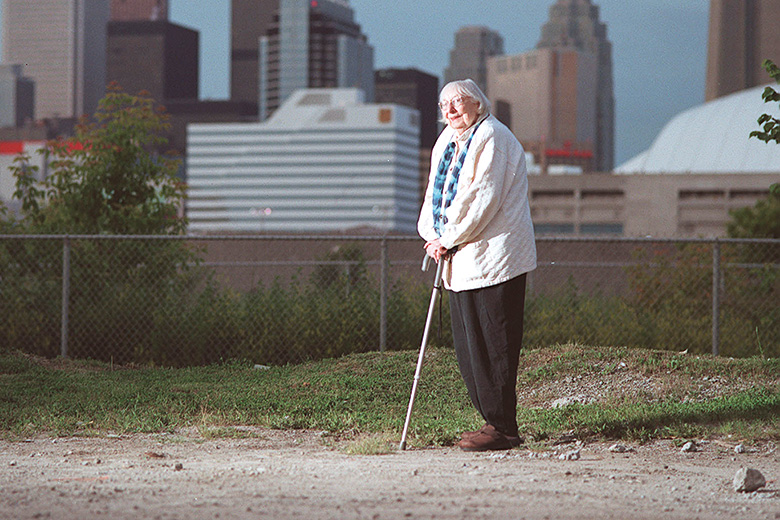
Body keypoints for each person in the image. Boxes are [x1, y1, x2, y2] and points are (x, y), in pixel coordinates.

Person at [417, 79, 537, 451]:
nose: (450, 110)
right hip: (460, 260)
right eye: (444, 105)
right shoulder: (445, 142)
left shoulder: (493, 137)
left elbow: (480, 198)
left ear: (478, 104)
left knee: (495, 342)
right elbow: (433, 196)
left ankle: (503, 427)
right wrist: (432, 234)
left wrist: (447, 237)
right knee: (470, 348)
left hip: (494, 257)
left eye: (458, 102)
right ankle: (491, 421)